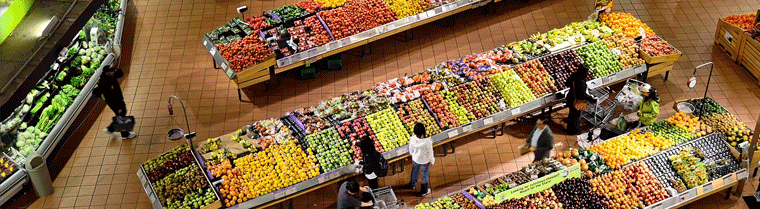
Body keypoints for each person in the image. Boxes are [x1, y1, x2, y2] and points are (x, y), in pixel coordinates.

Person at [96, 66, 136, 139]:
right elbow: (112, 96)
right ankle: (125, 135)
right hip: (115, 102)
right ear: (107, 72)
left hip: (115, 101)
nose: (113, 72)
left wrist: (116, 70)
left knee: (120, 115)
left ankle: (110, 129)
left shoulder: (107, 77)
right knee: (121, 116)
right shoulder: (107, 82)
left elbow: (121, 74)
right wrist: (119, 107)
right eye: (112, 71)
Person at [564, 65, 596, 135]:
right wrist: (591, 98)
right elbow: (582, 95)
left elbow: (567, 83)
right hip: (578, 101)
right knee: (576, 116)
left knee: (572, 114)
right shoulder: (581, 81)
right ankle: (574, 131)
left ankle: (570, 129)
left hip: (571, 98)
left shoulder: (574, 75)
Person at [406, 123, 434, 196]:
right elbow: (430, 152)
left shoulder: (412, 139)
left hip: (415, 159)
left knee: (414, 171)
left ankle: (412, 184)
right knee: (424, 174)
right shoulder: (428, 141)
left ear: (414, 132)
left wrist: (413, 154)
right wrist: (432, 160)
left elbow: (410, 150)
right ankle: (424, 190)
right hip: (425, 160)